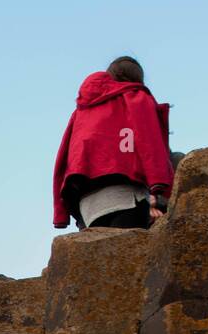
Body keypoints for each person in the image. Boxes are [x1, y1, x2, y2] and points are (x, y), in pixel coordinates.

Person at [52, 56, 174, 231]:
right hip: (126, 196)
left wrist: (60, 212)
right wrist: (159, 185)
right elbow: (149, 141)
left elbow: (64, 159)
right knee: (129, 255)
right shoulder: (136, 97)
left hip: (86, 207)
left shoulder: (81, 111)